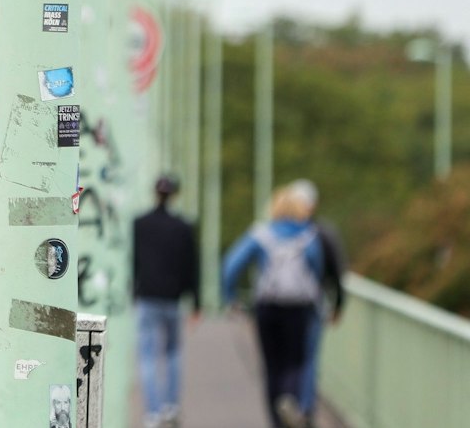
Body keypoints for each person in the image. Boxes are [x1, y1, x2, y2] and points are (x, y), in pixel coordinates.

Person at [223, 182, 338, 428]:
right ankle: (291, 399)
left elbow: (231, 265)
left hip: (268, 306)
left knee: (272, 366)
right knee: (296, 362)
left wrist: (231, 297)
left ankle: (276, 420)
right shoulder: (309, 235)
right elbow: (317, 270)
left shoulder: (261, 234)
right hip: (299, 307)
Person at [131, 174, 200, 428]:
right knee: (172, 353)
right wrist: (196, 302)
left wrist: (133, 290)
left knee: (147, 355)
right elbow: (192, 266)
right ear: (174, 195)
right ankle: (171, 405)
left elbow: (134, 262)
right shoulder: (183, 227)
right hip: (173, 299)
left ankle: (152, 411)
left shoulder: (140, 224)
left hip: (147, 296)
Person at [285, 180, 345, 420]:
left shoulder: (280, 232)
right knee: (309, 358)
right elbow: (336, 271)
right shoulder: (322, 233)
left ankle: (290, 399)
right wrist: (338, 304)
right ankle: (305, 408)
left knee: (290, 356)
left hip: (283, 305)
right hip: (312, 302)